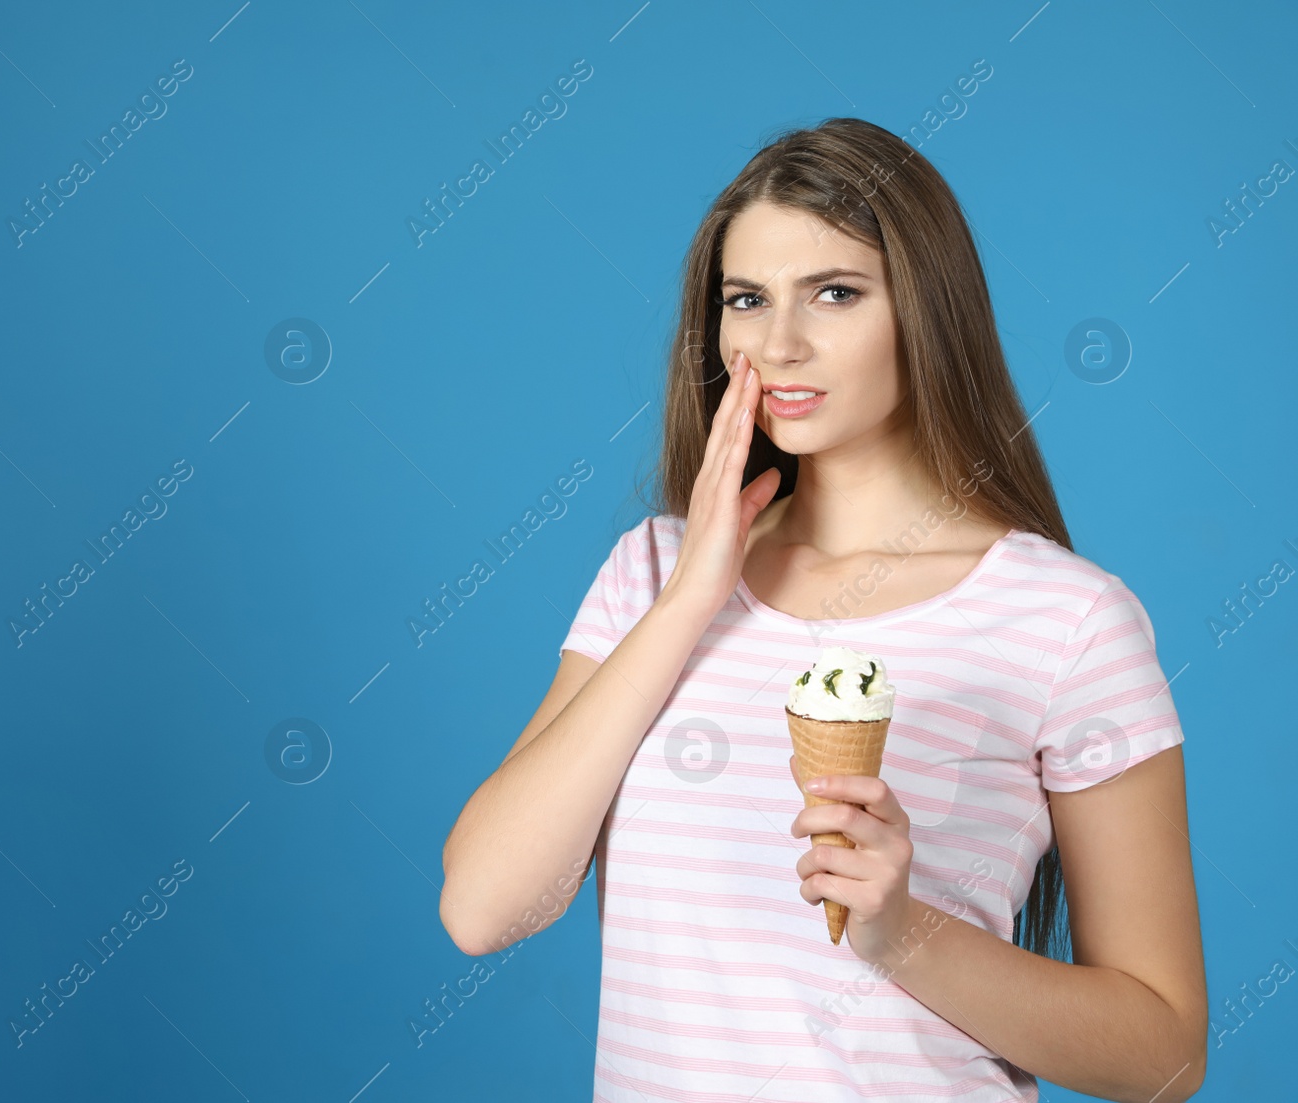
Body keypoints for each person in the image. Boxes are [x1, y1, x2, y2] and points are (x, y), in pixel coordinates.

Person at [438, 117, 1207, 1102]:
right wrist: (689, 601)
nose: (779, 343)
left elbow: (1165, 1054)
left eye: (834, 293)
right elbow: (483, 906)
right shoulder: (650, 574)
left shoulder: (1067, 619)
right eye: (745, 300)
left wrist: (901, 931)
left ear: (925, 309)